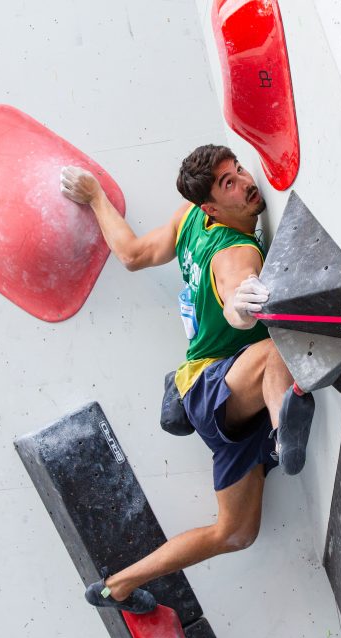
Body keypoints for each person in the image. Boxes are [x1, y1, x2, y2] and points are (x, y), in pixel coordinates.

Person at [60, 144, 315, 613]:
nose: (245, 181)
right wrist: (241, 306)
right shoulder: (236, 251)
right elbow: (234, 290)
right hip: (214, 385)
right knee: (278, 349)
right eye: (229, 183)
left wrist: (96, 197)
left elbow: (134, 254)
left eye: (238, 170)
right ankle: (285, 431)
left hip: (224, 399)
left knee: (235, 533)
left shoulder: (189, 220)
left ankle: (115, 587)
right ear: (212, 206)